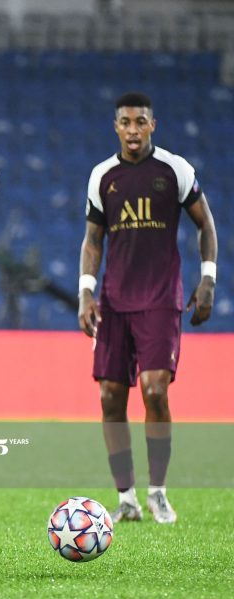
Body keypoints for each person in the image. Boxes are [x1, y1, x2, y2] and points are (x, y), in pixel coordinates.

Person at [78, 92, 217, 524]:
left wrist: (208, 278)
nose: (133, 130)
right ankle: (127, 499)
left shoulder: (175, 170)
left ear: (152, 125)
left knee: (155, 390)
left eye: (141, 122)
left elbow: (205, 224)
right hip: (115, 301)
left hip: (160, 299)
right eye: (126, 122)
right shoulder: (102, 176)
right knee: (110, 396)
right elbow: (93, 239)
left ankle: (158, 492)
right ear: (116, 127)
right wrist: (86, 291)